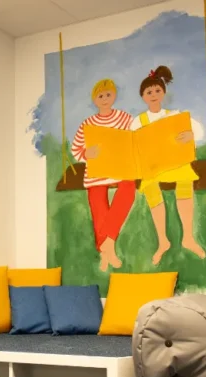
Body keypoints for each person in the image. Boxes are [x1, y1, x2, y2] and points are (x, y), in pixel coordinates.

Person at [131, 66, 206, 265]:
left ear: (163, 93)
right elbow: (132, 145)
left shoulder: (173, 115)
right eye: (149, 92)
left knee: (185, 179)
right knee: (149, 186)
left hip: (173, 163)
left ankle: (188, 237)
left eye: (157, 90)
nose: (153, 95)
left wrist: (191, 135)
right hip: (153, 167)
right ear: (143, 97)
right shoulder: (138, 121)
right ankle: (163, 240)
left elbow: (197, 129)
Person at [70, 79, 135, 271]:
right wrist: (86, 153)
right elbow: (76, 149)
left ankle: (108, 245)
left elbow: (134, 140)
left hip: (120, 168)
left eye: (108, 94)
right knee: (98, 208)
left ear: (114, 96)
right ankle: (106, 252)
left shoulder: (124, 118)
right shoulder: (88, 123)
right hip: (96, 172)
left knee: (128, 189)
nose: (105, 99)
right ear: (94, 99)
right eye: (100, 96)